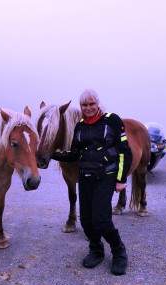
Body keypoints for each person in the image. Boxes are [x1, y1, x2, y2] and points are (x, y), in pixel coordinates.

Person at [51, 89, 132, 275]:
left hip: (106, 176)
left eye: (91, 104)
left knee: (101, 220)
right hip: (85, 176)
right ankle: (96, 250)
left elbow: (124, 152)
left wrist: (121, 179)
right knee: (86, 220)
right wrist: (51, 155)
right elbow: (74, 154)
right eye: (84, 105)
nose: (88, 108)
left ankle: (119, 251)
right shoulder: (79, 126)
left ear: (97, 104)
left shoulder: (112, 120)